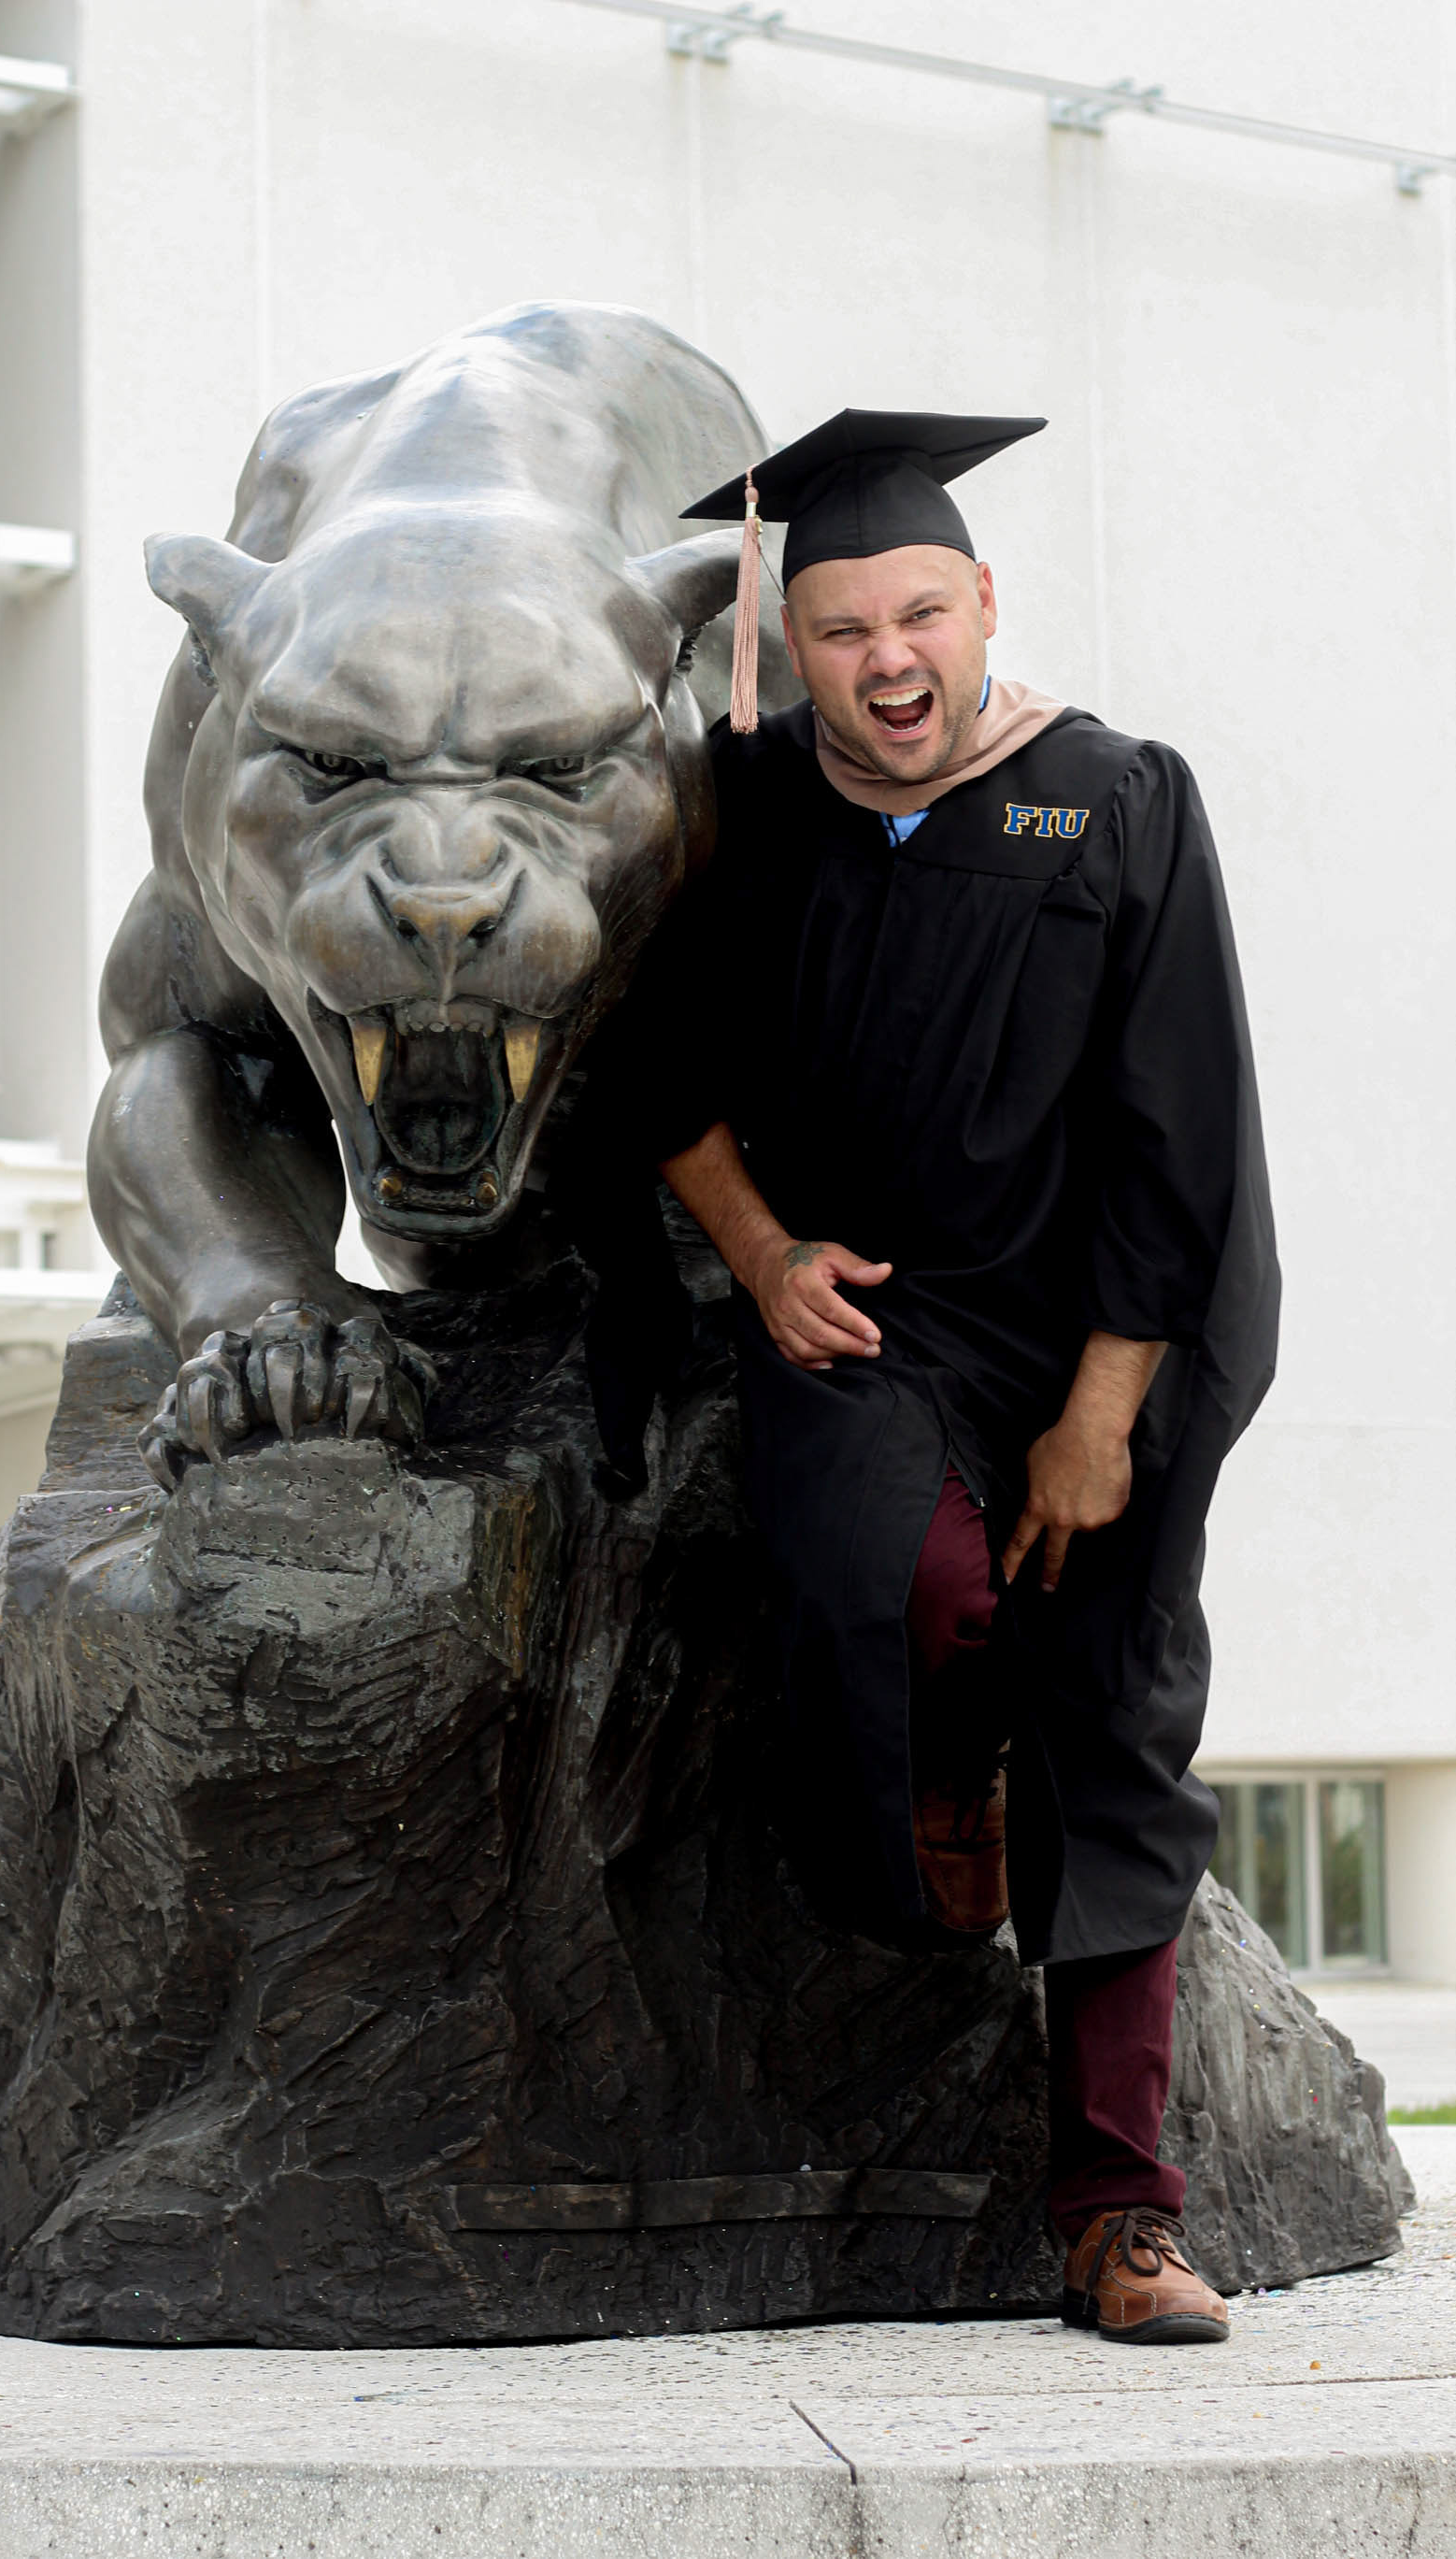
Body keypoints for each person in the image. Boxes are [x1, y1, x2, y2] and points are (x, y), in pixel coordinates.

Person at [643, 408, 1278, 2345]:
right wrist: (763, 1252)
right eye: (842, 629)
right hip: (874, 1322)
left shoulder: (1112, 797)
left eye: (919, 613)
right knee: (904, 1583)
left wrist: (1096, 1421)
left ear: (983, 600)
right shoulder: (744, 806)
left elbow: (1180, 1133)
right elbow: (660, 1075)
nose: (888, 659)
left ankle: (1119, 2215)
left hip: (1099, 1328)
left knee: (1113, 1717)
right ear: (792, 644)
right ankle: (949, 1767)